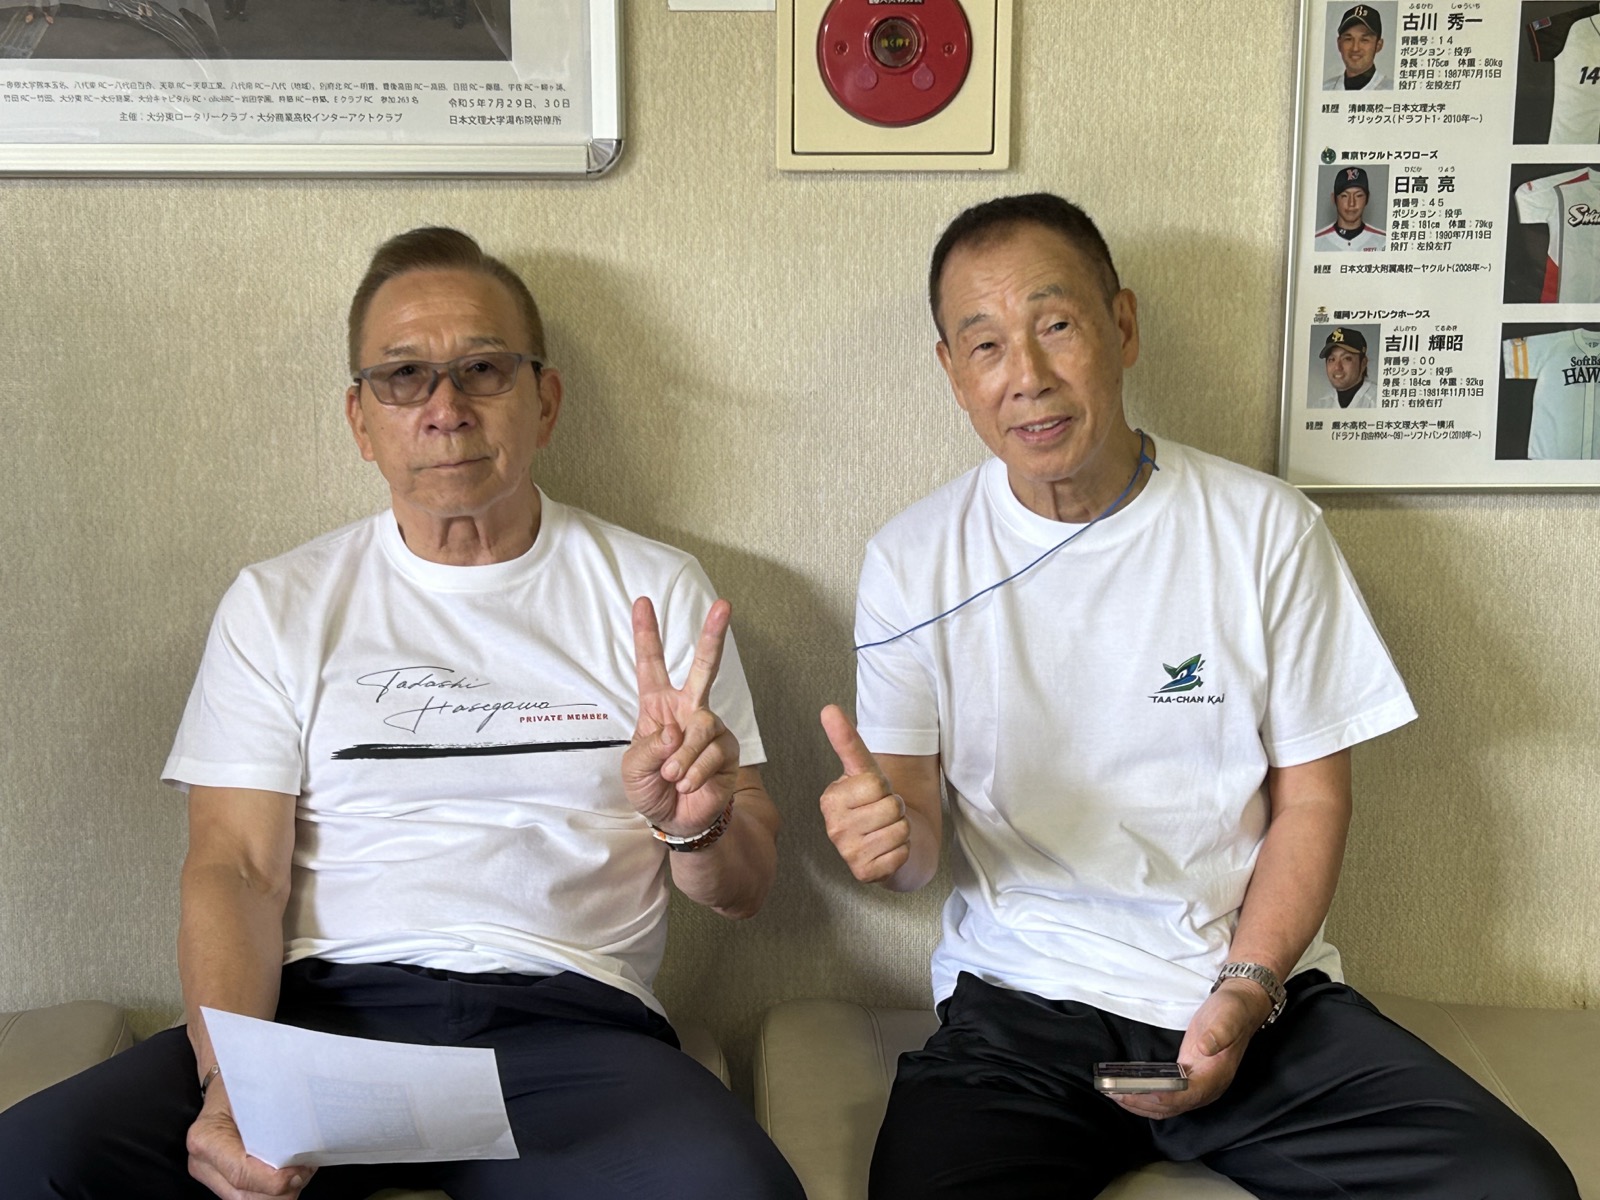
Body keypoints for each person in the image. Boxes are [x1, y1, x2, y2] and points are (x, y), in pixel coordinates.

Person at [0, 228, 804, 1200]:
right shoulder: (279, 603)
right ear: (360, 418)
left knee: (735, 1191)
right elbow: (236, 869)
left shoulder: (657, 592)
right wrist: (231, 1084)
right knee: (32, 1167)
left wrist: (694, 826)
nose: (445, 408)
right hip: (318, 1021)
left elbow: (743, 887)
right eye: (403, 376)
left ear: (545, 401)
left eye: (483, 370)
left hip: (570, 1032)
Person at [817, 192, 1578, 1200]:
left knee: (1515, 1185)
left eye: (1056, 325)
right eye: (986, 344)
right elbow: (915, 838)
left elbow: (1312, 800)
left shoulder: (1265, 530)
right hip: (1024, 1002)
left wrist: (1245, 992)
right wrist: (886, 842)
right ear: (954, 374)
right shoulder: (911, 560)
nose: (1027, 375)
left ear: (1121, 327)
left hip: (1253, 994)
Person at [1313, 166, 1385, 251]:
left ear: (1367, 198)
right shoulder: (1315, 242)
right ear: (1334, 198)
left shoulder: (1383, 242)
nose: (1351, 203)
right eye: (1344, 196)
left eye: (1358, 195)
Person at [1323, 4, 1390, 90]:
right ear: (1339, 44)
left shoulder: (1391, 89)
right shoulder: (1325, 88)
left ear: (1378, 45)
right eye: (1348, 39)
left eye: (1364, 40)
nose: (1355, 48)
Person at [1309, 325, 1377, 408]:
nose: (1337, 367)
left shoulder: (1378, 400)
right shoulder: (1320, 405)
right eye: (1332, 359)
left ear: (1363, 363)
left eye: (1346, 359)